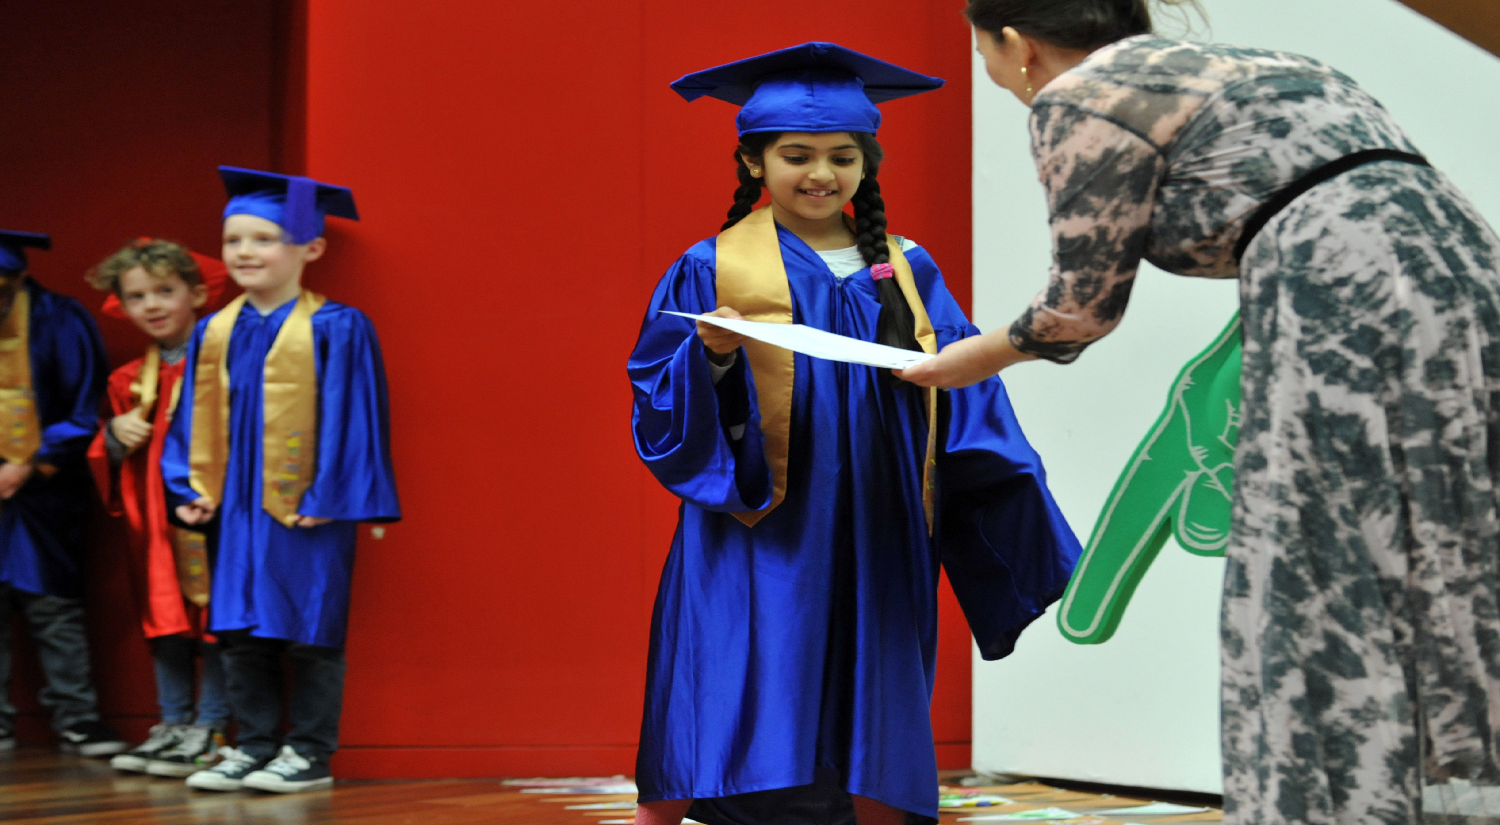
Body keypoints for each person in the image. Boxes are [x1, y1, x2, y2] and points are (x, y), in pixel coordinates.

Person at [899, 2, 1500, 822]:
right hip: (1463, 267)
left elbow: (1078, 308)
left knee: (1318, 543)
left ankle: (1342, 797)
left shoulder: (1079, 94)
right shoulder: (1257, 62)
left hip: (1340, 283)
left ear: (1016, 43)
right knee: (1453, 524)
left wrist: (953, 362)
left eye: (982, 50)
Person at [628, 43, 1081, 825]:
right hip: (759, 517)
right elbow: (656, 392)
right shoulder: (710, 267)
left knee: (877, 674)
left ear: (866, 163)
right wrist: (712, 355)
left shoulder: (907, 267)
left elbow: (968, 387)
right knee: (729, 665)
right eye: (795, 155)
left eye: (843, 156)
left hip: (878, 512)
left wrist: (1007, 485)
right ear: (753, 161)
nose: (820, 173)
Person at [162, 168, 400, 793]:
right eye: (233, 239)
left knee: (309, 630)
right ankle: (254, 745)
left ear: (310, 248)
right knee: (239, 631)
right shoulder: (216, 330)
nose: (244, 251)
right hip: (235, 508)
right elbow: (189, 415)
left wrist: (331, 494)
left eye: (263, 238)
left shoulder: (338, 326)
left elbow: (355, 418)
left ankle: (310, 754)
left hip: (305, 507)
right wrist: (190, 486)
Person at [86, 238, 233, 776]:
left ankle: (211, 725)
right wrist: (115, 433)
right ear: (122, 307)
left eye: (164, 291)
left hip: (209, 513)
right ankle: (173, 722)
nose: (151, 305)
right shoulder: (127, 380)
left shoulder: (225, 362)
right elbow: (108, 454)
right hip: (152, 525)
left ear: (197, 294)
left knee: (213, 616)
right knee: (163, 619)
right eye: (138, 296)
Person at [0, 230, 123, 756]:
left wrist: (32, 465)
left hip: (43, 488)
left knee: (53, 604)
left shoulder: (59, 318)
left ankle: (77, 717)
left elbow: (84, 404)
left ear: (20, 277)